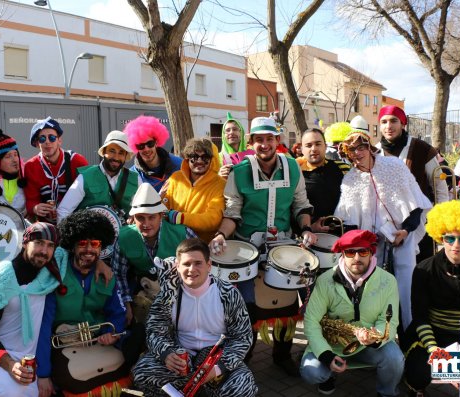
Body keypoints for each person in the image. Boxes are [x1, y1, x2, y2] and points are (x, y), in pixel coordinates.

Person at [210, 116, 316, 376]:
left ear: (277, 141)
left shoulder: (293, 167)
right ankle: (244, 357)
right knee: (248, 307)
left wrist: (306, 229)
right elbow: (232, 211)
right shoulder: (239, 171)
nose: (264, 145)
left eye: (269, 139)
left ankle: (282, 356)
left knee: (286, 304)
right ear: (251, 142)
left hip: (283, 245)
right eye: (259, 140)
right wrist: (222, 235)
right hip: (248, 247)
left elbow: (301, 205)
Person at [36, 210, 145, 396]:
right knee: (71, 377)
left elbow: (118, 313)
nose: (88, 249)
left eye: (94, 244)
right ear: (73, 245)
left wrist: (111, 333)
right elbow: (44, 326)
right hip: (66, 343)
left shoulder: (108, 277)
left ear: (101, 247)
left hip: (97, 341)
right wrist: (43, 374)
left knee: (138, 335)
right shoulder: (57, 274)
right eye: (82, 243)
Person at [132, 238, 257, 397]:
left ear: (209, 265)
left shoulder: (228, 294)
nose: (191, 269)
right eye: (186, 264)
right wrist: (166, 354)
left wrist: (217, 368)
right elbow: (155, 331)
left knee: (243, 386)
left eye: (198, 263)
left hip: (217, 358)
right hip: (182, 358)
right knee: (142, 372)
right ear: (177, 266)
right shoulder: (167, 295)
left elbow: (242, 337)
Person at [334, 128, 431, 330]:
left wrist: (405, 231)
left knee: (406, 288)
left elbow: (415, 203)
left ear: (370, 147)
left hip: (403, 235)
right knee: (374, 292)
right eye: (352, 150)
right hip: (372, 246)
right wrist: (364, 245)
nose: (358, 153)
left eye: (361, 147)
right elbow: (350, 223)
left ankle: (409, 336)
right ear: (346, 154)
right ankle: (379, 335)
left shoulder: (394, 166)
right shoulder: (349, 181)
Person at [300, 229, 403, 396]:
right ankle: (327, 377)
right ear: (342, 254)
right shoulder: (325, 280)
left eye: (363, 251)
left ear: (371, 253)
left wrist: (374, 338)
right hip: (331, 346)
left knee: (395, 358)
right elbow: (311, 321)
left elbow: (390, 321)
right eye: (350, 252)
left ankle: (387, 392)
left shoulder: (388, 281)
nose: (357, 258)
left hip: (367, 346)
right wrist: (326, 355)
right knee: (311, 372)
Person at [0, 222, 63, 397]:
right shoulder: (0, 277)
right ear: (25, 243)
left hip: (29, 357)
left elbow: (78, 254)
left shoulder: (50, 271)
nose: (44, 251)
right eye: (39, 243)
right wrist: (10, 365)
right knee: (10, 392)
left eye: (50, 245)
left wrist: (100, 265)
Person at [404, 201, 460, 397]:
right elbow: (420, 316)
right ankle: (417, 390)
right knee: (418, 372)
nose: (456, 245)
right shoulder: (423, 269)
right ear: (440, 238)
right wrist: (437, 353)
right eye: (450, 238)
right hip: (433, 335)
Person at [112, 183, 196, 324]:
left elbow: (200, 268)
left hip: (182, 292)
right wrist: (126, 304)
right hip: (144, 294)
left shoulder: (183, 232)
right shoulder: (123, 237)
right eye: (140, 218)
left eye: (151, 217)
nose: (146, 224)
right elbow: (118, 273)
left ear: (161, 216)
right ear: (133, 218)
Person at [377, 105, 448, 261]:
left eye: (393, 121)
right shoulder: (375, 152)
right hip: (387, 225)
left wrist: (439, 218)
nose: (388, 126)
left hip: (421, 222)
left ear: (403, 123)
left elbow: (439, 187)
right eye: (384, 122)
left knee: (420, 271)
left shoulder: (421, 149)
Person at [57, 130, 140, 223]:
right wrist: (69, 236)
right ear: (104, 152)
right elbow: (63, 211)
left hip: (124, 235)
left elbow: (144, 211)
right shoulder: (85, 177)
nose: (116, 157)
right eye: (112, 151)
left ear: (125, 156)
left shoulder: (136, 179)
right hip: (90, 235)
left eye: (121, 153)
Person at [24, 117, 88, 222]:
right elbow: (31, 200)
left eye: (52, 138)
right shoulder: (31, 166)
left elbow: (88, 196)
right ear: (37, 144)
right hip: (45, 224)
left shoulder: (77, 161)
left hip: (74, 221)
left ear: (59, 141)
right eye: (42, 139)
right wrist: (35, 208)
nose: (47, 142)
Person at [162, 137, 226, 242]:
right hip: (173, 241)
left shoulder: (220, 184)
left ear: (212, 159)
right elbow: (164, 207)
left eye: (205, 157)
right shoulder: (175, 178)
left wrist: (180, 218)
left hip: (202, 247)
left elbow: (212, 219)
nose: (199, 161)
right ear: (187, 158)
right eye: (194, 156)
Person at [296, 128, 349, 233]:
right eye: (308, 145)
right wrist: (308, 228)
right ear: (302, 149)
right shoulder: (295, 172)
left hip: (340, 232)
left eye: (318, 144)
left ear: (325, 146)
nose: (314, 149)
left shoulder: (342, 168)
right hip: (307, 234)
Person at [123, 115, 182, 192]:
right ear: (136, 147)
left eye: (150, 143)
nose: (146, 149)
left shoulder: (179, 165)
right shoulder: (133, 176)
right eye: (141, 146)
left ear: (156, 143)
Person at [218, 113, 254, 178]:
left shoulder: (252, 154)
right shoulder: (217, 158)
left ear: (241, 132)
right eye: (227, 130)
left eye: (235, 129)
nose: (231, 132)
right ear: (223, 135)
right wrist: (218, 176)